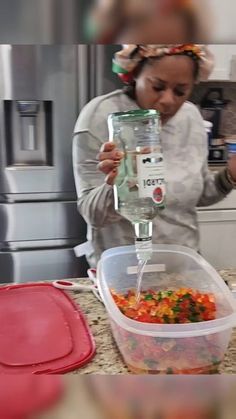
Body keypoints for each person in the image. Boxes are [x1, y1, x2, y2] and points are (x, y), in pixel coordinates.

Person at [73, 44, 236, 268]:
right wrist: (117, 184)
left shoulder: (191, 117)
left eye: (181, 91)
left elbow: (199, 195)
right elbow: (94, 215)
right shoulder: (102, 116)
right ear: (135, 74)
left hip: (184, 270)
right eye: (157, 86)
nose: (168, 100)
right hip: (126, 274)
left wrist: (229, 176)